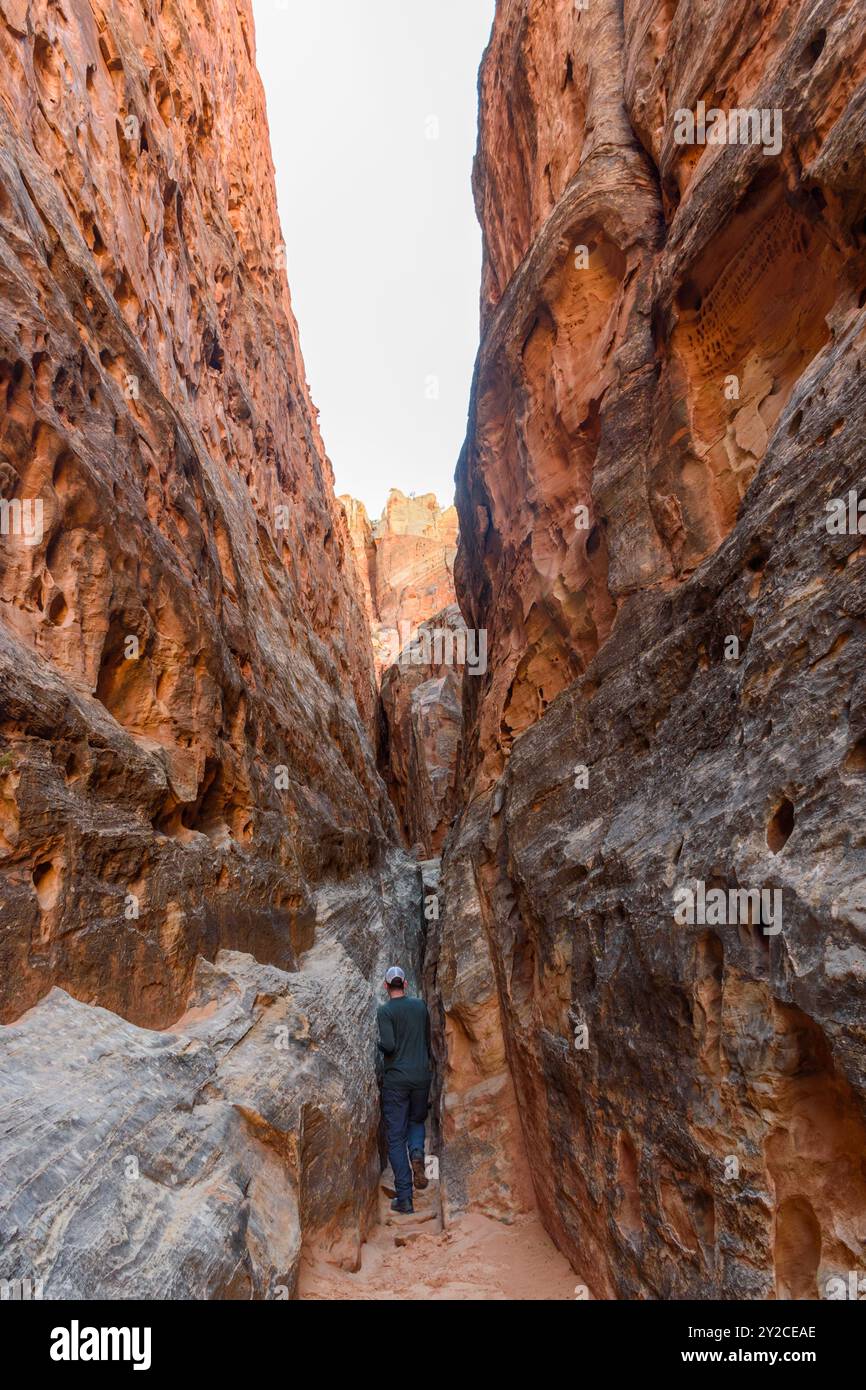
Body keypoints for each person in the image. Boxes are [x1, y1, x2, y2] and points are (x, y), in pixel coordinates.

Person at [377, 966, 432, 1214]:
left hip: (397, 1081)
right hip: (421, 1077)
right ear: (405, 984)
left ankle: (405, 1198)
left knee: (396, 1137)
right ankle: (418, 1153)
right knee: (417, 1120)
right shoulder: (420, 1006)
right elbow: (426, 1039)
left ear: (387, 986)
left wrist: (378, 1044)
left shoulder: (385, 1011)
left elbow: (388, 1045)